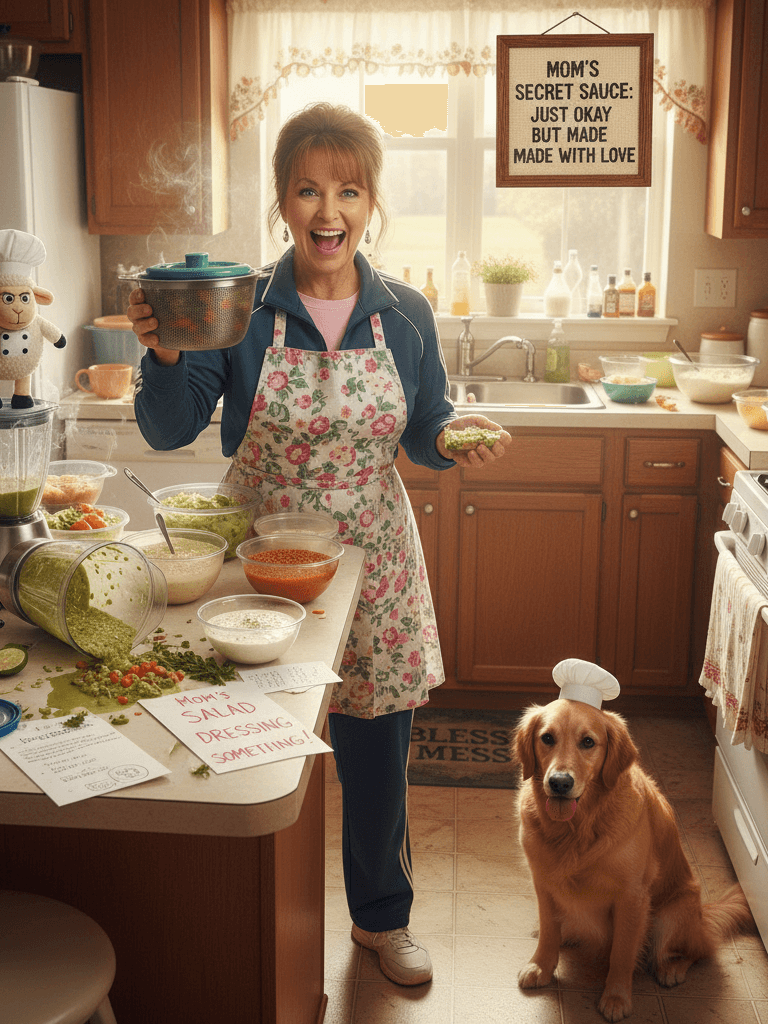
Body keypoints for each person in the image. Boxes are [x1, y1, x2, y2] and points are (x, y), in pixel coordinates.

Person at [128, 101, 511, 987]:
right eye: (308, 190)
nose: (327, 211)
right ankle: (256, 929)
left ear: (371, 201)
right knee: (251, 748)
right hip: (255, 556)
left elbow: (422, 428)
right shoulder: (242, 307)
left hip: (370, 559)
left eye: (347, 190)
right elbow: (170, 427)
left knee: (378, 753)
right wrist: (168, 356)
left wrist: (451, 438)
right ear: (282, 201)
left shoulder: (405, 313)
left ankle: (382, 922)